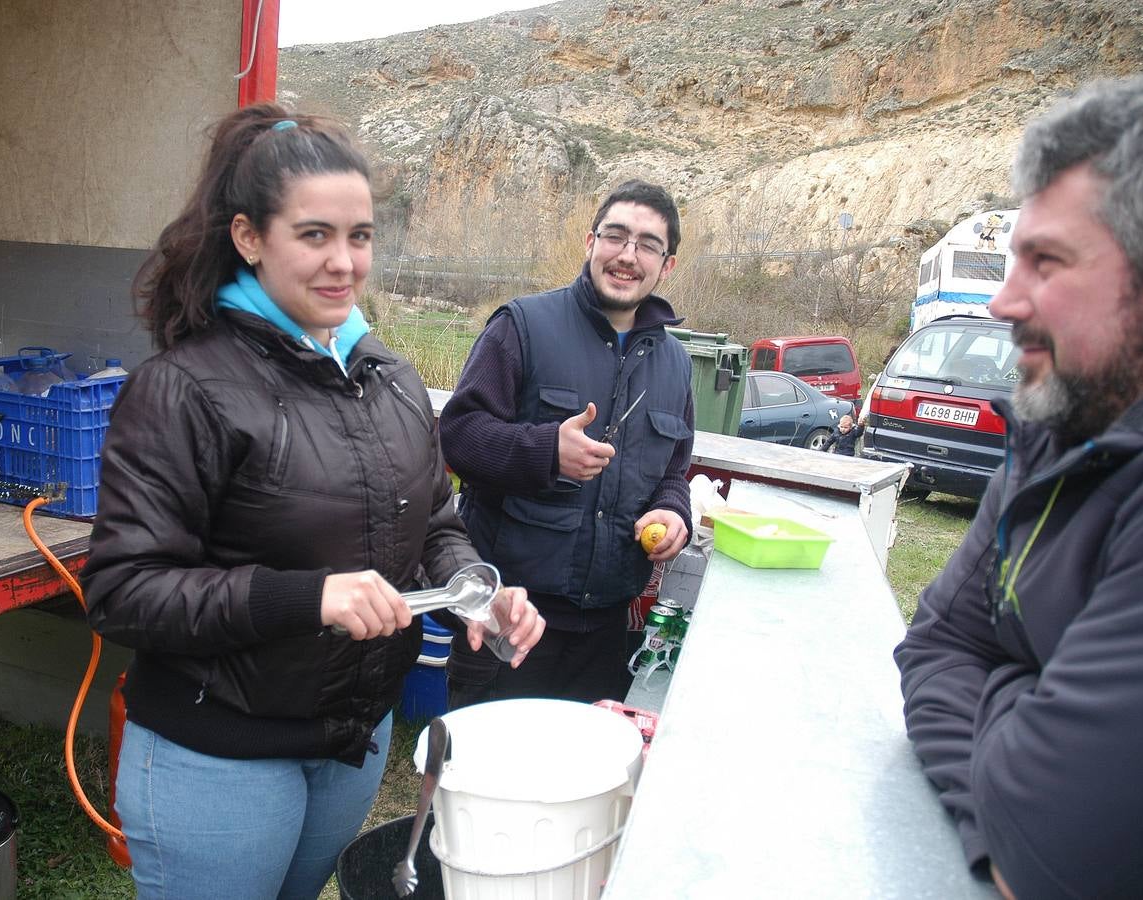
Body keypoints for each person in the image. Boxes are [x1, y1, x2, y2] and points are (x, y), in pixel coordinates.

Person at [79, 103, 544, 900]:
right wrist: (308, 598)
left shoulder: (389, 378)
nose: (343, 262)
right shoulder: (184, 388)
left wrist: (473, 587)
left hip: (350, 743)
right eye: (314, 234)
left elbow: (434, 520)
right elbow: (123, 591)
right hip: (219, 754)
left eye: (359, 236)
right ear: (249, 237)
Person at [895, 76, 1143, 900]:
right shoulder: (1058, 435)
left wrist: (1002, 685)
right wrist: (1025, 715)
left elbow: (1051, 849)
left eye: (1046, 262)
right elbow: (935, 646)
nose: (1001, 300)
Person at [438, 179, 695, 708]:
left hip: (605, 629)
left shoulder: (675, 363)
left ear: (667, 265)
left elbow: (673, 470)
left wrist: (672, 510)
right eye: (615, 236)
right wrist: (545, 452)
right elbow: (458, 436)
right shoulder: (522, 326)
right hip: (511, 618)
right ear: (590, 241)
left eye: (648, 245)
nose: (628, 256)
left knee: (583, 762)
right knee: (490, 761)